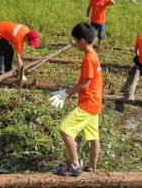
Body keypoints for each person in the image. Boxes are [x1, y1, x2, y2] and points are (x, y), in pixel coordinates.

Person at [49, 22, 102, 177]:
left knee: (65, 129)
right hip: (95, 102)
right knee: (93, 136)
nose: (73, 43)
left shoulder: (88, 58)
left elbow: (84, 85)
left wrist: (66, 93)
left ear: (82, 42)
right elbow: (87, 81)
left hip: (87, 104)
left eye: (74, 40)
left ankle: (74, 166)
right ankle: (92, 167)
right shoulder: (94, 55)